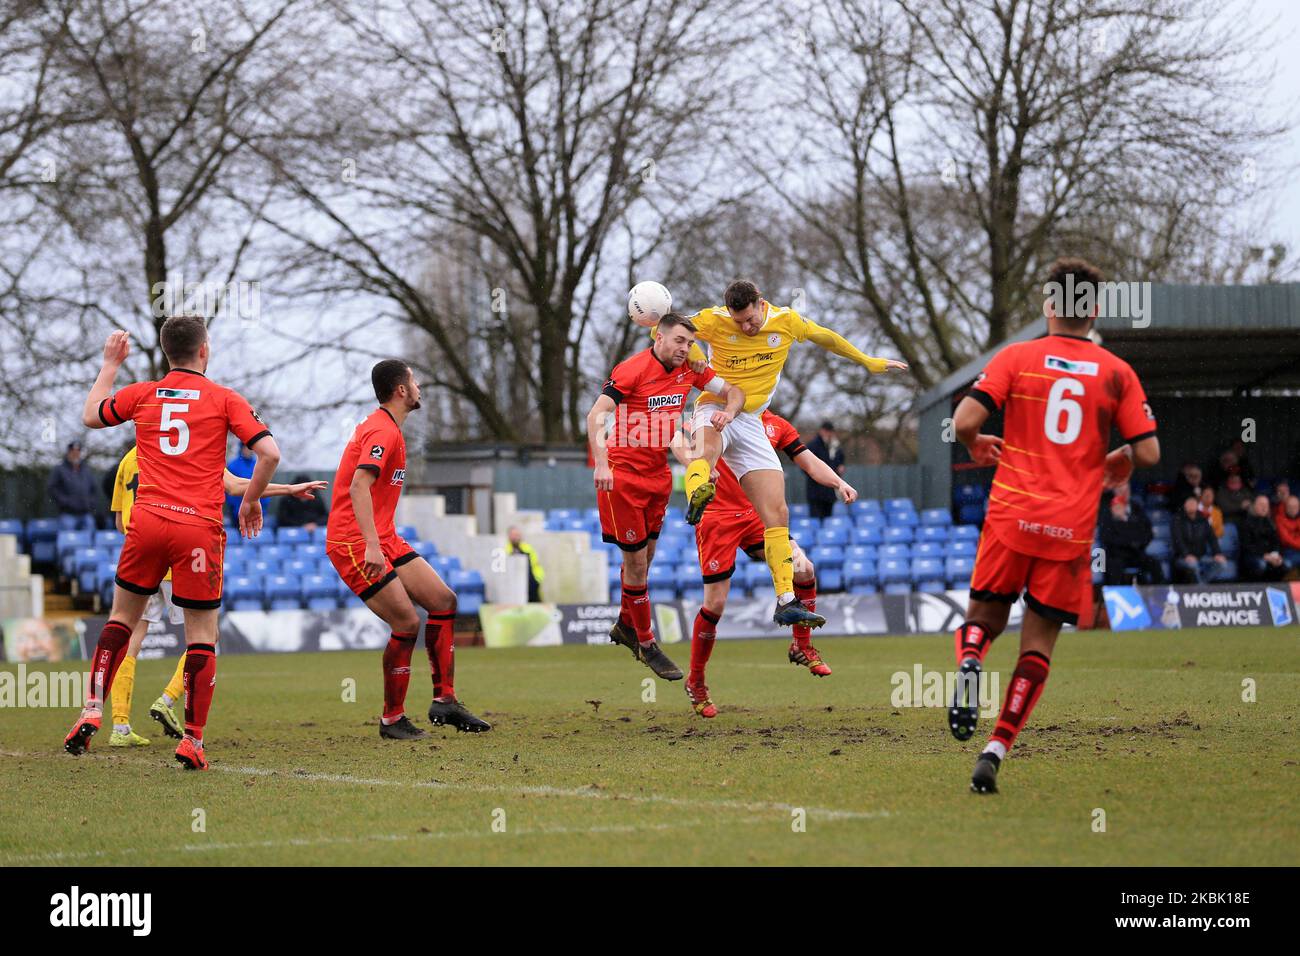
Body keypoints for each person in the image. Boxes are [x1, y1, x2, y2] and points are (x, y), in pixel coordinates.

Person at [947, 257, 1159, 794]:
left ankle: (971, 660)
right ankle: (995, 749)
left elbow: (967, 421)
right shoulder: (1116, 372)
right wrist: (1121, 461)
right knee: (1037, 645)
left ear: (1048, 306)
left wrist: (976, 443)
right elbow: (1149, 452)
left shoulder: (1017, 356)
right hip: (1070, 527)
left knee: (985, 619)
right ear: (1092, 311)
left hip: (1012, 514)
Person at [63, 318, 282, 771]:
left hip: (147, 521)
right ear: (205, 350)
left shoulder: (143, 393)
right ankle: (193, 740)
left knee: (121, 618)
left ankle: (92, 709)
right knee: (202, 636)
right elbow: (270, 453)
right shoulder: (224, 399)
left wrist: (109, 365)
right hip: (197, 527)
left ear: (167, 353)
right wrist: (250, 503)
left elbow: (91, 415)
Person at [673, 280, 907, 628]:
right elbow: (670, 332)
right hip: (715, 406)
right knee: (706, 453)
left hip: (750, 419)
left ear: (761, 303)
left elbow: (825, 337)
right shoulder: (712, 319)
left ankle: (786, 600)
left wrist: (867, 360)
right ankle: (697, 497)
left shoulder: (786, 320)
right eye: (739, 322)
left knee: (777, 510)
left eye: (750, 319)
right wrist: (696, 362)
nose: (745, 327)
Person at [107, 444, 327, 747]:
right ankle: (167, 701)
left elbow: (121, 523)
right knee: (206, 638)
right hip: (176, 556)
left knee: (130, 639)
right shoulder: (186, 451)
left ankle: (119, 726)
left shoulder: (129, 460)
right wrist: (289, 488)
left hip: (139, 555)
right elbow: (236, 485)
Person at [326, 359, 490, 738]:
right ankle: (392, 719)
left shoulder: (387, 429)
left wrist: (379, 540)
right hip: (354, 540)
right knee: (406, 623)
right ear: (401, 390)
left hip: (384, 536)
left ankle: (445, 701)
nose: (419, 388)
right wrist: (370, 545)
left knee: (443, 601)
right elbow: (357, 487)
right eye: (414, 381)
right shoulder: (383, 432)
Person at [586, 312, 745, 681]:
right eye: (679, 341)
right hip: (622, 478)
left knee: (647, 559)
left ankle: (626, 624)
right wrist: (602, 464)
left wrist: (728, 412)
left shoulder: (691, 369)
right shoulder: (631, 370)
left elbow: (733, 391)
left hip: (658, 478)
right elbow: (597, 414)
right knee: (638, 565)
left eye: (690, 343)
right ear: (658, 336)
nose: (685, 348)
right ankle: (646, 641)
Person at [672, 410, 856, 718]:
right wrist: (695, 464)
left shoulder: (776, 424)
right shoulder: (712, 413)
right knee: (715, 605)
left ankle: (801, 645)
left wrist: (838, 482)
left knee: (804, 570)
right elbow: (677, 437)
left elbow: (808, 461)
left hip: (757, 514)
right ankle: (697, 680)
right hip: (718, 519)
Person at [1098, 494, 1163, 585]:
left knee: (1154, 563)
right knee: (1113, 567)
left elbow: (1146, 535)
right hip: (1116, 555)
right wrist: (1129, 542)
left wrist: (1137, 543)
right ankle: (1116, 593)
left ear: (1124, 508)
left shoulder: (1135, 519)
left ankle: (1159, 592)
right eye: (1114, 508)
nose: (1116, 510)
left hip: (1135, 554)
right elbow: (1107, 539)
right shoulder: (1107, 522)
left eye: (1119, 507)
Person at [1170, 496, 1231, 584]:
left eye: (1193, 504)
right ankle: (1201, 589)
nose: (1191, 506)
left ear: (1197, 506)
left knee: (1222, 564)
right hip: (1181, 557)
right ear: (1184, 506)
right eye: (1189, 504)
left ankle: (1201, 586)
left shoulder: (1203, 520)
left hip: (1201, 556)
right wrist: (1186, 555)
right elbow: (1178, 540)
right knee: (1193, 565)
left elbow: (1212, 538)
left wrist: (1217, 553)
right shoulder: (1177, 520)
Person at [47, 441, 98, 530]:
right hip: (68, 514)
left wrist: (91, 502)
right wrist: (65, 502)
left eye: (78, 452)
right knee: (68, 540)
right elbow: (52, 488)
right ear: (68, 453)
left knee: (90, 538)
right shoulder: (60, 469)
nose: (75, 454)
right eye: (73, 452)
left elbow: (93, 488)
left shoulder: (86, 469)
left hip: (85, 513)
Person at [1240, 494, 1290, 581]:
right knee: (1261, 565)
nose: (1264, 508)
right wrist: (1264, 555)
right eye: (1261, 505)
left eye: (1266, 505)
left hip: (1269, 556)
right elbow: (1247, 546)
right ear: (1254, 506)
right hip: (1252, 556)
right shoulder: (1246, 522)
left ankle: (1274, 588)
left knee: (1285, 564)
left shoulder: (1270, 522)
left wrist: (1276, 554)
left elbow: (1276, 542)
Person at [804, 421, 845, 520]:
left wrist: (840, 466)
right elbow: (804, 466)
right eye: (827, 431)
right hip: (816, 491)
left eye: (830, 431)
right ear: (822, 431)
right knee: (816, 520)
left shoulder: (834, 446)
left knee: (828, 520)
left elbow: (839, 459)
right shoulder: (813, 446)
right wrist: (817, 475)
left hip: (829, 491)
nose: (829, 434)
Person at [505, 526, 544, 603]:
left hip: (531, 584)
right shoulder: (505, 549)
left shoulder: (527, 548)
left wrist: (538, 580)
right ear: (509, 536)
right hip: (513, 586)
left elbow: (536, 564)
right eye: (514, 535)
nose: (516, 537)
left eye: (517, 535)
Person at [1275, 495, 1300, 567]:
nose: (1293, 509)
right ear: (1286, 507)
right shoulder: (1279, 519)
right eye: (1290, 507)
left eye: (1295, 506)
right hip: (1288, 550)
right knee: (1287, 564)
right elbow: (1286, 539)